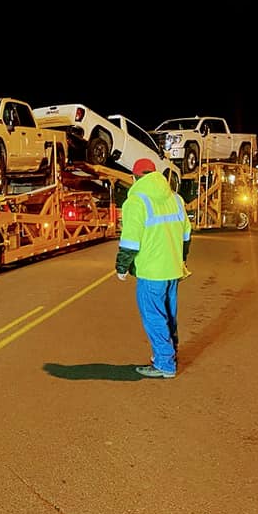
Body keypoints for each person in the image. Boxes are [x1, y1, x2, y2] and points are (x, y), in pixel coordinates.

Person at [115, 158, 192, 378]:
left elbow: (130, 241)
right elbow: (186, 234)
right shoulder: (176, 199)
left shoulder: (136, 202)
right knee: (169, 314)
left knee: (154, 316)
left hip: (151, 272)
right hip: (173, 270)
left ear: (135, 177)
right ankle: (169, 353)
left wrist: (122, 266)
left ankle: (164, 363)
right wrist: (182, 259)